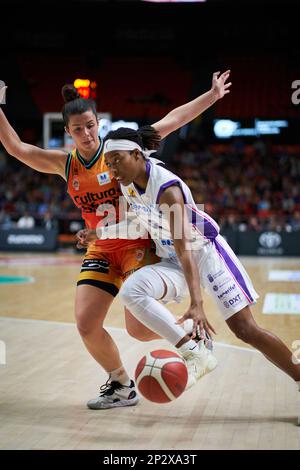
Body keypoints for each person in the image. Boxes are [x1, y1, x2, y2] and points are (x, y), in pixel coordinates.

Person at [0, 70, 231, 409]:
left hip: (139, 244)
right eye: (77, 129)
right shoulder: (66, 164)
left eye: (91, 125)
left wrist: (211, 97)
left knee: (138, 330)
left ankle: (191, 336)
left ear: (99, 123)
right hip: (102, 248)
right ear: (67, 132)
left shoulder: (121, 149)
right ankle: (121, 384)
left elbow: (171, 121)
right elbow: (16, 147)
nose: (86, 133)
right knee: (85, 323)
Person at [82, 126, 300, 415]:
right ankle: (193, 350)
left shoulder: (166, 188)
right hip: (174, 259)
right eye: (108, 163)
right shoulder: (128, 183)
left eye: (117, 159)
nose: (112, 168)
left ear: (136, 154)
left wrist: (196, 304)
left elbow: (187, 249)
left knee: (246, 330)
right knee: (133, 291)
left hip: (206, 254)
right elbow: (142, 222)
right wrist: (101, 232)